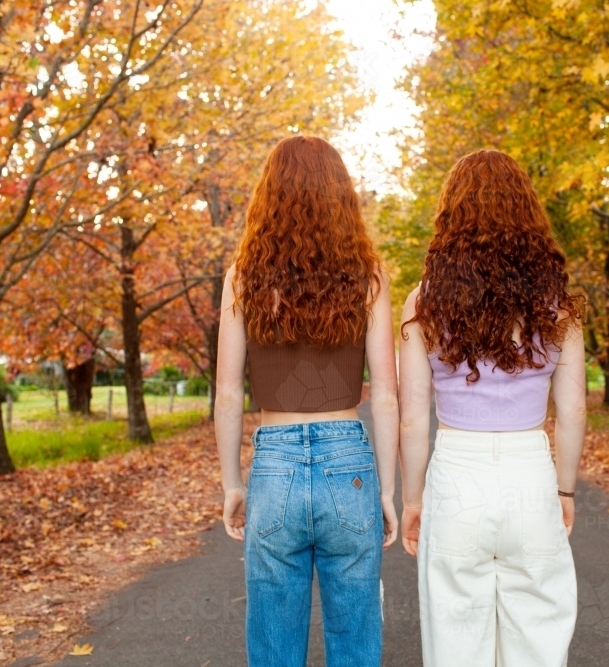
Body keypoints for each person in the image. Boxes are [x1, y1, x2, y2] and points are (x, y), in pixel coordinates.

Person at [214, 135, 399, 667]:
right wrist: (386, 490)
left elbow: (228, 393)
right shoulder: (368, 279)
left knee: (274, 645)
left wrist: (232, 482)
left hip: (274, 464)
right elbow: (384, 395)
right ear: (342, 196)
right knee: (356, 637)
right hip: (350, 463)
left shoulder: (242, 280)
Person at [398, 149, 587, 667]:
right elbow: (571, 410)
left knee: (456, 633)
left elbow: (413, 417)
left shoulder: (423, 303)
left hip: (457, 473)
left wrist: (412, 500)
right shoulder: (558, 304)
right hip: (530, 470)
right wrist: (565, 488)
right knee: (539, 629)